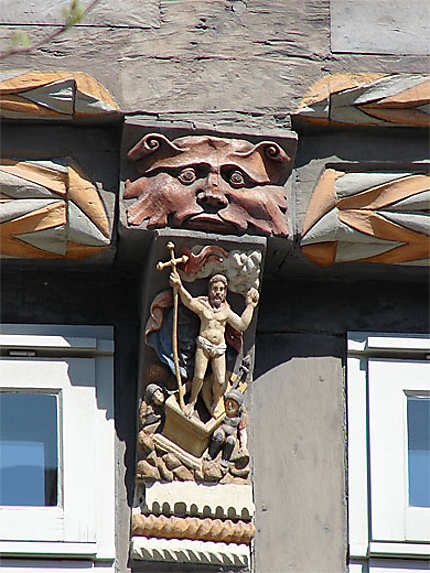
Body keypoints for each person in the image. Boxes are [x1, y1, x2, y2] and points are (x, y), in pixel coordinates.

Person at [169, 272, 259, 418]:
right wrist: (179, 286)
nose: (218, 292)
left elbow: (242, 325)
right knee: (198, 376)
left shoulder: (226, 311)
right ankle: (192, 401)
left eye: (221, 289)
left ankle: (216, 400)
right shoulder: (204, 306)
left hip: (219, 349)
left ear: (225, 293)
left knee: (221, 380)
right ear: (209, 290)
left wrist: (250, 306)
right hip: (203, 346)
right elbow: (189, 302)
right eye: (215, 289)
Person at [206, 389, 248, 467]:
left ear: (238, 408)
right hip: (221, 429)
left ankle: (225, 459)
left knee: (230, 441)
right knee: (218, 437)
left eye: (233, 405)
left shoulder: (239, 419)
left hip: (232, 433)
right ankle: (210, 454)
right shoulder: (223, 414)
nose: (229, 406)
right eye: (228, 403)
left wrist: (243, 446)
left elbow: (242, 432)